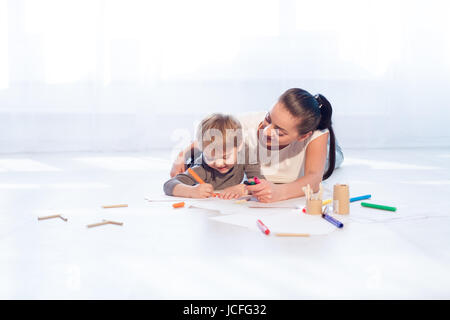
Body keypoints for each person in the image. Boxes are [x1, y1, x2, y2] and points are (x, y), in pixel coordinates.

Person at [170, 88, 344, 202]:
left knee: (334, 159)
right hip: (264, 174)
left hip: (326, 157)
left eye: (279, 131)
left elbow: (314, 180)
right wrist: (181, 156)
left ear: (303, 136)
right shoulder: (246, 123)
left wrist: (277, 193)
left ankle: (336, 150)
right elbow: (211, 139)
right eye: (268, 118)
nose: (266, 130)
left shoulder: (315, 135)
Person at [164, 113, 264, 199]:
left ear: (239, 146)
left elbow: (259, 180)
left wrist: (245, 187)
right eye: (211, 158)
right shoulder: (202, 167)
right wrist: (191, 191)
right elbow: (168, 185)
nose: (219, 163)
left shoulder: (246, 153)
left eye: (225, 157)